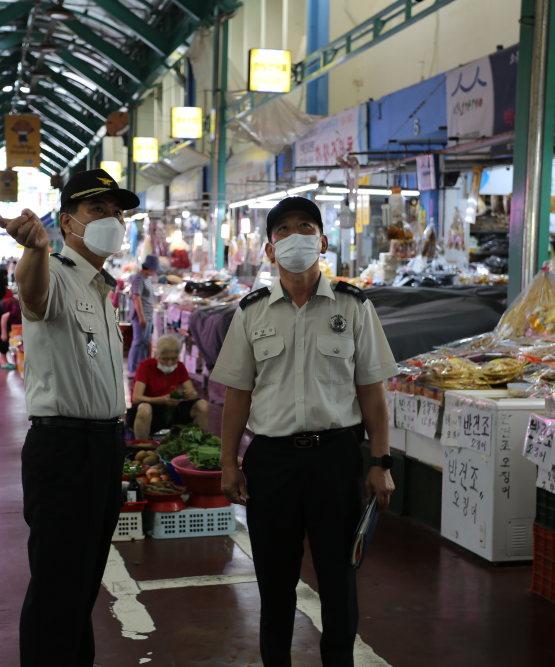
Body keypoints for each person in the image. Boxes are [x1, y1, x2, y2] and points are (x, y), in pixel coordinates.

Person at [210, 197, 398, 667]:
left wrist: (381, 462)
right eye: (284, 231)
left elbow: (372, 392)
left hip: (335, 458)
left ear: (323, 241)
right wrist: (228, 461)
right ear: (270, 250)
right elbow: (238, 394)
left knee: (339, 577)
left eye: (306, 227)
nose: (296, 236)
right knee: (274, 580)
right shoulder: (251, 311)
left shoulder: (354, 306)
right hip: (270, 462)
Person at [0, 168, 137, 667]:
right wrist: (34, 249)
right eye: (97, 209)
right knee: (58, 589)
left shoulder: (100, 286)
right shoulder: (53, 270)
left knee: (83, 585)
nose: (111, 219)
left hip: (103, 447)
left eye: (116, 211)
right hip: (65, 451)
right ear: (68, 221)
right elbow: (32, 297)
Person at [127, 334, 209, 439]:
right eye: (165, 359)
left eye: (174, 359)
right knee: (145, 408)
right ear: (156, 355)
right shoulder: (145, 366)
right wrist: (160, 400)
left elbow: (192, 392)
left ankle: (199, 443)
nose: (170, 363)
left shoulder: (179, 367)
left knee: (202, 405)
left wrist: (191, 395)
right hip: (151, 409)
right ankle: (143, 448)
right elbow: (136, 398)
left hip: (171, 410)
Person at [127, 254, 158, 377]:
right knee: (138, 341)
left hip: (148, 316)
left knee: (145, 343)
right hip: (141, 316)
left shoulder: (147, 279)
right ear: (150, 268)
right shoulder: (138, 278)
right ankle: (132, 369)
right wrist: (141, 317)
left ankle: (142, 368)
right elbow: (136, 297)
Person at [0, 295, 22, 370]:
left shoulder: (20, 309)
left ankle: (1, 359)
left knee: (4, 336)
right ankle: (4, 362)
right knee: (3, 338)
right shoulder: (18, 310)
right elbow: (4, 317)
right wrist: (3, 332)